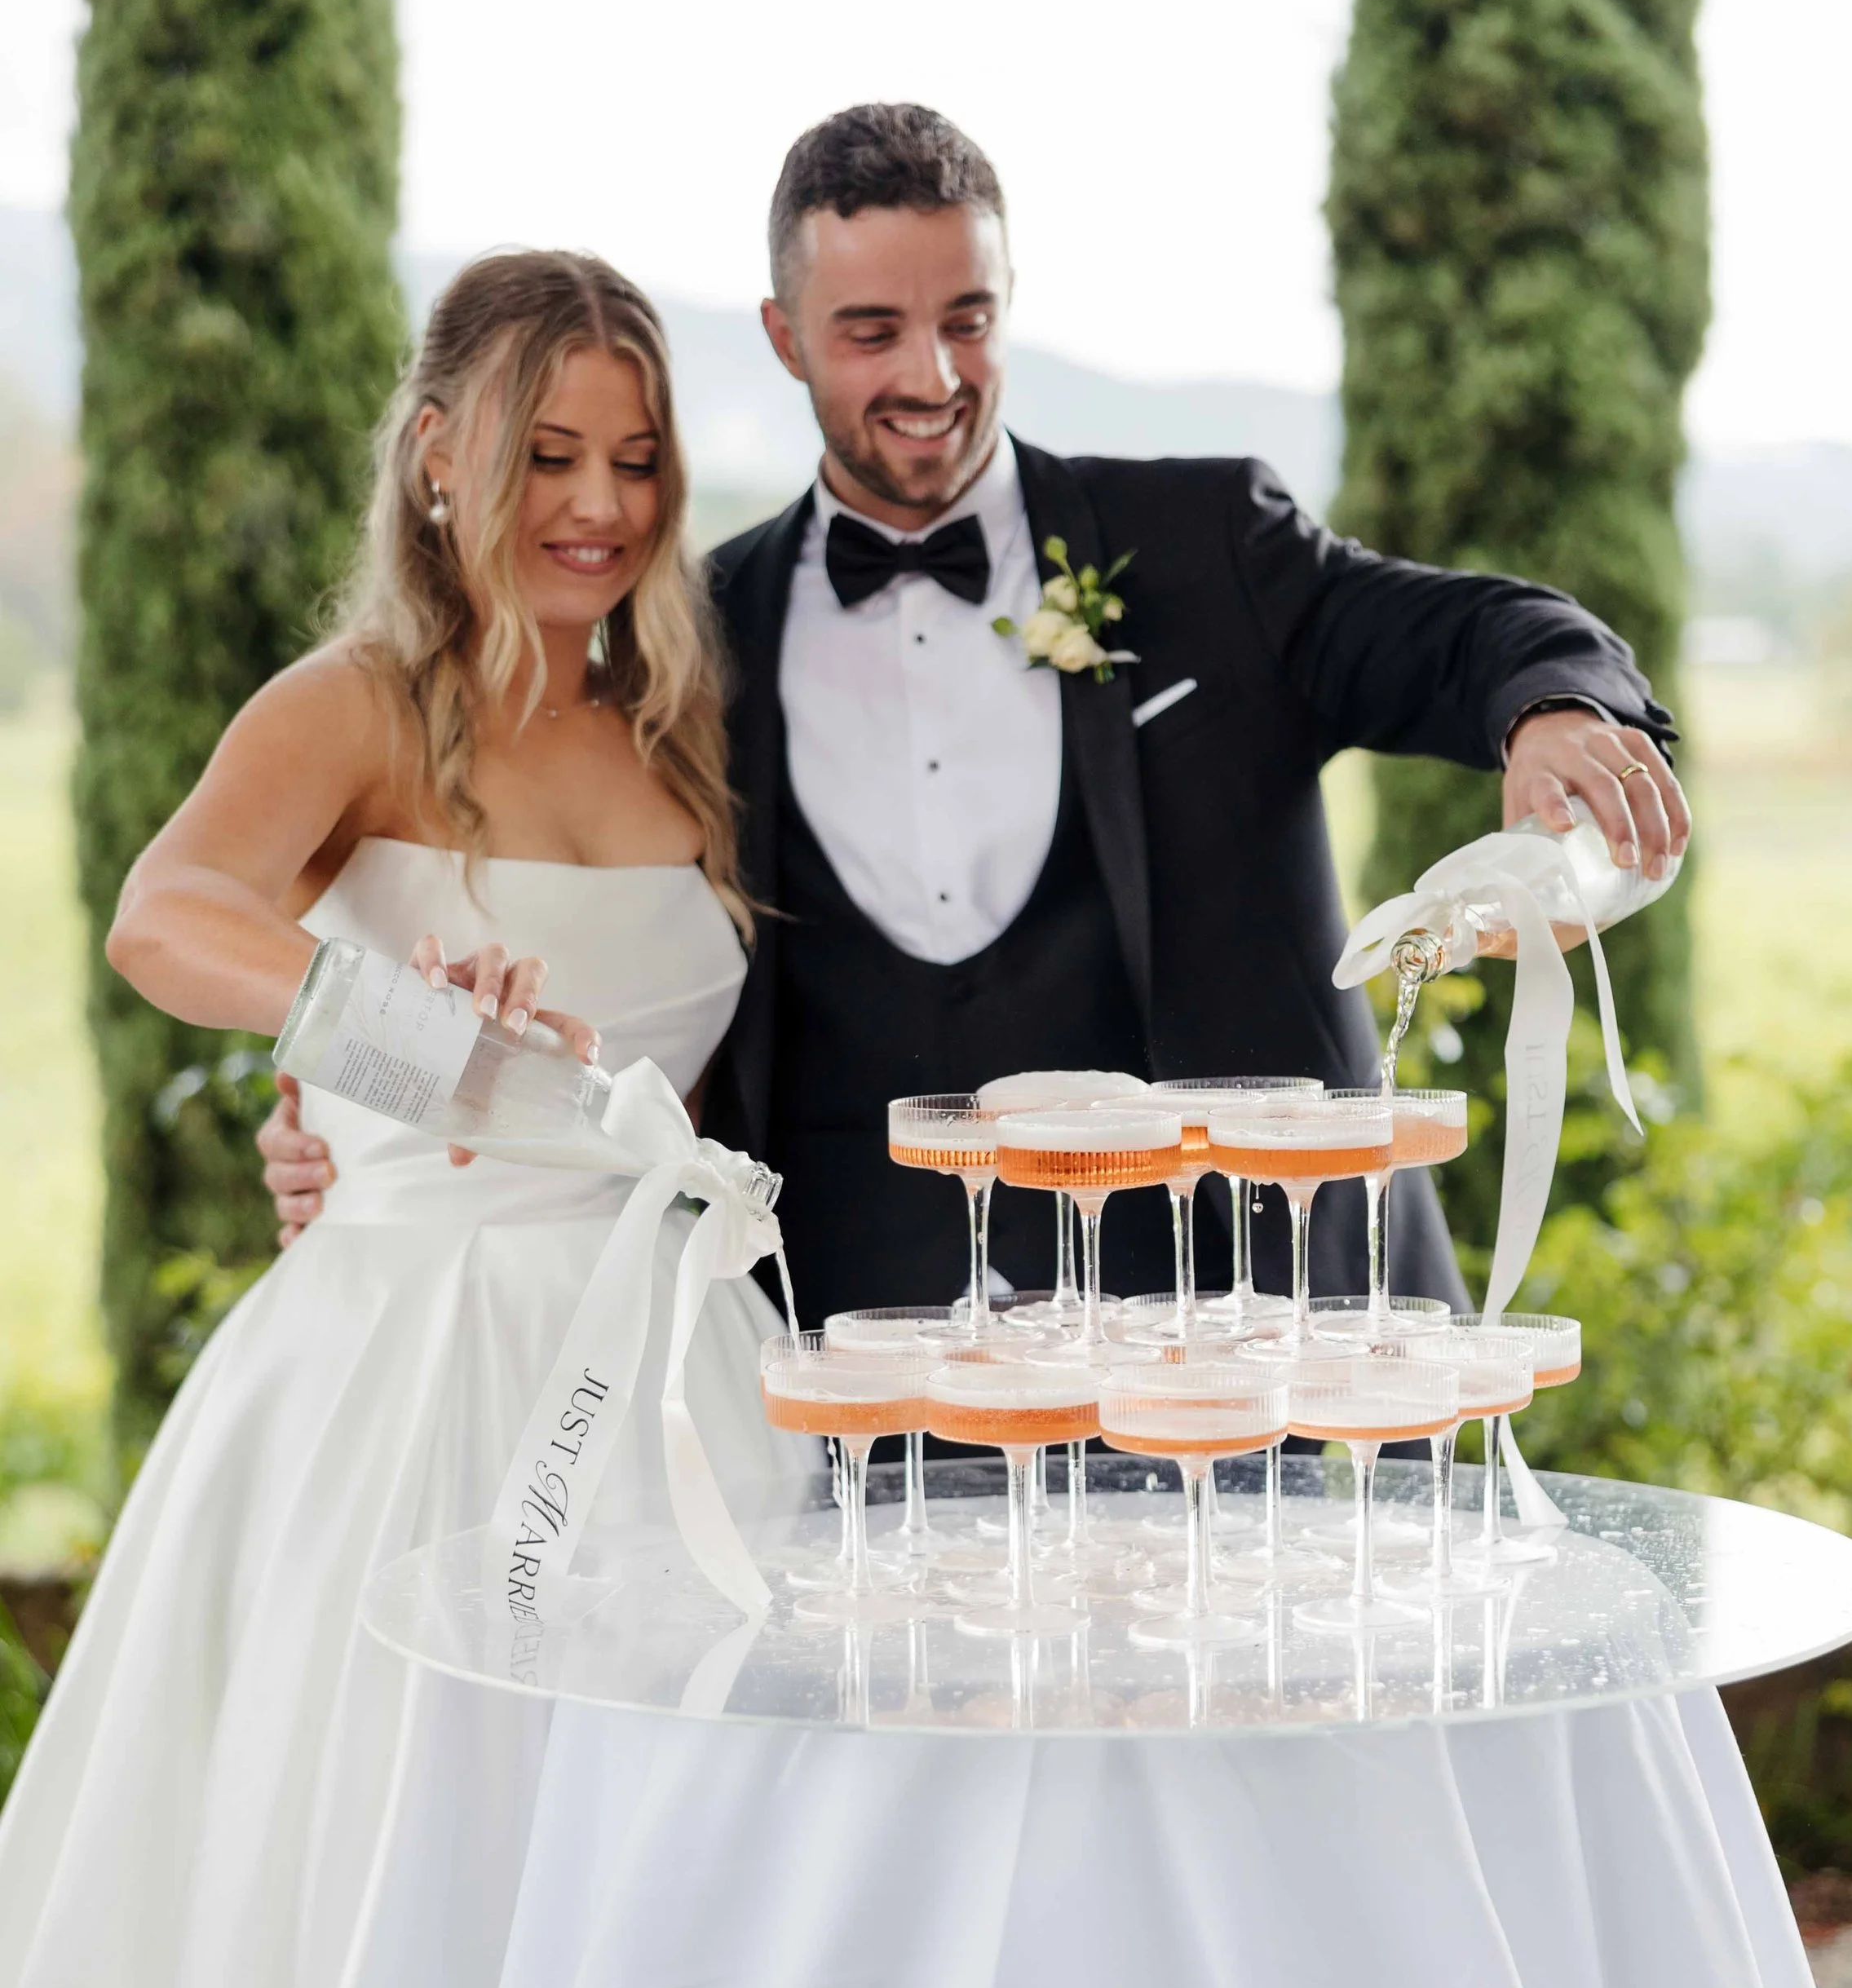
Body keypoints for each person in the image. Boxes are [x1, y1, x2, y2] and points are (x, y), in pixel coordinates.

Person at [0, 250, 810, 1988]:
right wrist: (389, 1047)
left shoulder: (682, 725)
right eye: (544, 452)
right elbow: (167, 914)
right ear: (438, 450)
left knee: (650, 1947)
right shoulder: (351, 704)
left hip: (668, 1400)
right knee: (346, 1918)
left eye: (634, 459)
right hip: (402, 1400)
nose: (590, 505)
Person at [259, 104, 1691, 1323]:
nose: (929, 379)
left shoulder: (1204, 547)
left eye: (967, 321)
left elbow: (1460, 632)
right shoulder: (687, 643)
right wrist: (344, 1117)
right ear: (783, 335)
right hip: (851, 1364)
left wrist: (1555, 707)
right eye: (872, 330)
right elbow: (557, 940)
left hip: (1254, 1332)